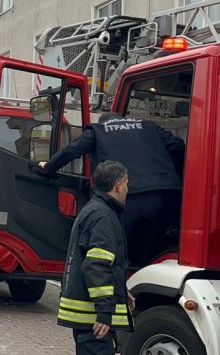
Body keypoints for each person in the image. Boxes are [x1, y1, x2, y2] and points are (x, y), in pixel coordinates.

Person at [40, 112, 185, 266]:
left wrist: (49, 167)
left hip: (129, 198)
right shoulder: (148, 126)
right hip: (167, 195)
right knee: (158, 246)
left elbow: (72, 150)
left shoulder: (99, 130)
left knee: (119, 249)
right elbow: (179, 146)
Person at [59, 160, 133, 355]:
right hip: (93, 318)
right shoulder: (104, 216)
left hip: (84, 316)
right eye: (126, 184)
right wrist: (104, 312)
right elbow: (96, 265)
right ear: (117, 185)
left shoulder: (94, 210)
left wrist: (122, 291)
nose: (128, 190)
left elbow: (100, 264)